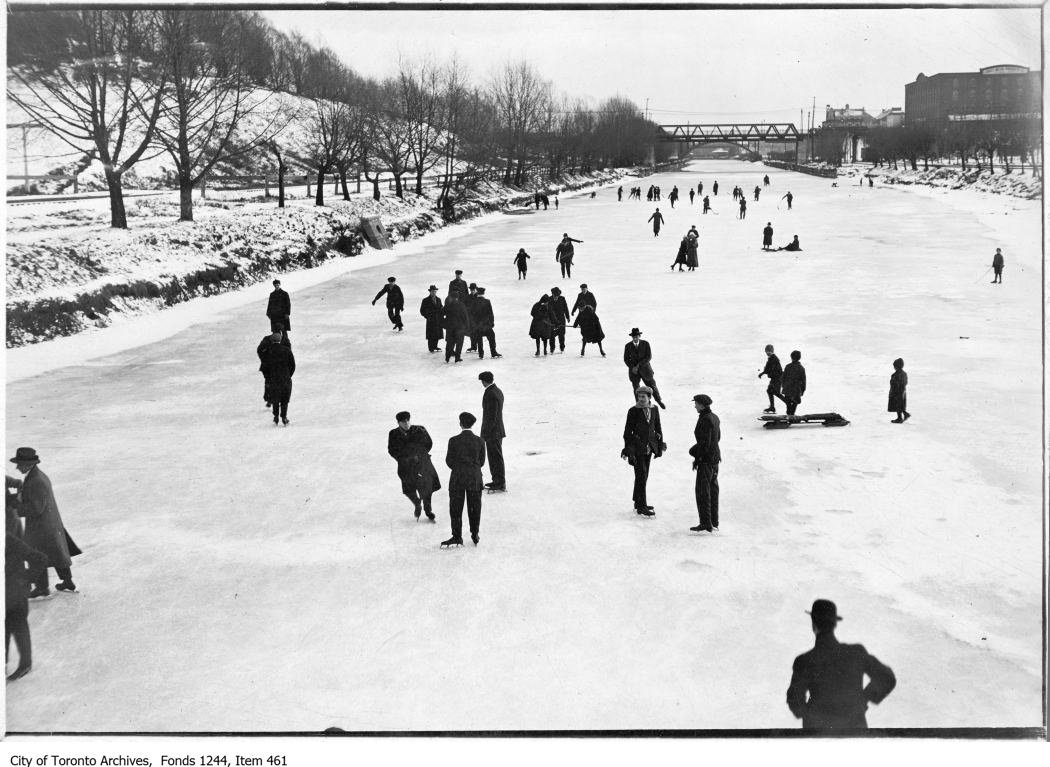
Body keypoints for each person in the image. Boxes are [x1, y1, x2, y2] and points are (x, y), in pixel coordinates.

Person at [786, 599, 897, 730]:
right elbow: (887, 678)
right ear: (834, 624)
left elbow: (794, 700)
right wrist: (864, 698)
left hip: (819, 735)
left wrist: (810, 714)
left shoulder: (804, 661)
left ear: (813, 623)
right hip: (855, 731)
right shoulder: (856, 653)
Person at [9, 447, 81, 598]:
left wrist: (14, 511)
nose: (17, 467)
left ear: (28, 464)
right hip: (48, 524)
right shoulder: (35, 476)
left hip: (42, 527)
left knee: (39, 555)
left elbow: (35, 508)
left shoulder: (36, 480)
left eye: (19, 464)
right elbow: (29, 496)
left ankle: (42, 588)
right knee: (56, 554)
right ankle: (67, 582)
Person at [6, 496, 47, 681]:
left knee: (18, 628)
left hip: (15, 597)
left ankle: (25, 664)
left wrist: (25, 579)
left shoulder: (9, 540)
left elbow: (39, 559)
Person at [442, 412, 486, 547]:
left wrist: (458, 468)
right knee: (474, 507)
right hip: (474, 478)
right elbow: (482, 462)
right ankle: (475, 534)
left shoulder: (453, 440)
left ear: (460, 424)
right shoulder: (480, 441)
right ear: (473, 424)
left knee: (455, 508)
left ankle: (457, 536)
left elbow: (449, 461)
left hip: (458, 478)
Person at [386, 412, 440, 522]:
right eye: (403, 422)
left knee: (427, 487)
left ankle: (428, 509)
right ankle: (417, 503)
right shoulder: (393, 434)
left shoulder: (420, 430)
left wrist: (419, 455)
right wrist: (404, 459)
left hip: (423, 464)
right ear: (398, 423)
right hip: (406, 466)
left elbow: (428, 444)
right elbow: (392, 450)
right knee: (408, 488)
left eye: (407, 421)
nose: (406, 424)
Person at [621, 386, 664, 517]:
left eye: (643, 397)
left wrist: (660, 446)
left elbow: (658, 427)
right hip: (637, 448)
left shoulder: (654, 409)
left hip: (650, 447)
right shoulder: (633, 411)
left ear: (649, 397)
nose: (640, 399)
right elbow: (627, 432)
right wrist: (628, 449)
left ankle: (638, 502)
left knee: (644, 475)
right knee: (641, 475)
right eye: (639, 397)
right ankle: (642, 507)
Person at [688, 394, 720, 533]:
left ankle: (706, 523)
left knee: (703, 491)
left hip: (706, 459)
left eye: (696, 403)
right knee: (713, 490)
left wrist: (697, 457)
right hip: (715, 458)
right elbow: (717, 437)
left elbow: (704, 443)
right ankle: (713, 521)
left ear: (701, 404)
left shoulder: (705, 419)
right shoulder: (714, 417)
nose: (694, 406)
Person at [623, 328, 666, 408]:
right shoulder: (628, 346)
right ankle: (638, 404)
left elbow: (648, 357)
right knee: (636, 388)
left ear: (639, 336)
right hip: (634, 372)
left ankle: (659, 401)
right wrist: (632, 367)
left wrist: (638, 365)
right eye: (633, 337)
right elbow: (626, 359)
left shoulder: (645, 344)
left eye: (636, 336)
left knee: (652, 386)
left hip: (646, 370)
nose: (635, 338)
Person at [479, 372, 506, 492]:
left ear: (485, 381)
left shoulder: (491, 393)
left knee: (495, 457)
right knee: (495, 457)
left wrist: (485, 433)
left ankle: (499, 482)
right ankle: (498, 480)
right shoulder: (497, 390)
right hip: (496, 431)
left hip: (493, 432)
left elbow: (491, 417)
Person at [262, 328, 295, 425]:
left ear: (272, 340)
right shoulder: (287, 350)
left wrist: (268, 376)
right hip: (285, 377)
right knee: (285, 398)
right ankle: (284, 416)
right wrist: (289, 375)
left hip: (273, 378)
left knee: (275, 397)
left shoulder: (268, 351)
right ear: (280, 340)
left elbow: (265, 366)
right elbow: (292, 365)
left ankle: (276, 416)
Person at [257, 323, 291, 408]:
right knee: (281, 383)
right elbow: (289, 353)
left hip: (267, 366)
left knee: (269, 382)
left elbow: (259, 350)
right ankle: (279, 399)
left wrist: (264, 359)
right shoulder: (284, 340)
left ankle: (269, 399)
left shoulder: (266, 339)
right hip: (281, 367)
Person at [471, 287, 500, 359]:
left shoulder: (474, 302)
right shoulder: (487, 301)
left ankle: (481, 354)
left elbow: (472, 314)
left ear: (477, 293)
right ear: (483, 293)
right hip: (486, 325)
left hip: (477, 325)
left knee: (479, 339)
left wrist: (473, 324)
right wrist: (492, 323)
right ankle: (493, 353)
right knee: (492, 337)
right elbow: (491, 313)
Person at [442, 294, 471, 364]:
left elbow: (441, 313)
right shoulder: (461, 305)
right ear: (458, 297)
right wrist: (467, 326)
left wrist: (444, 323)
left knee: (450, 343)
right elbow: (465, 317)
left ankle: (447, 357)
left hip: (450, 327)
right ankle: (457, 358)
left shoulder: (448, 305)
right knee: (459, 343)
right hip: (460, 328)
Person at [758, 344, 787, 413]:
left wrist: (765, 372)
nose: (767, 353)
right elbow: (768, 368)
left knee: (776, 392)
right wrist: (762, 373)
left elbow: (773, 369)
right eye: (766, 352)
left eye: (769, 352)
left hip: (778, 378)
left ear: (772, 351)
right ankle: (772, 407)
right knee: (769, 391)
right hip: (774, 378)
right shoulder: (771, 358)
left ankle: (788, 403)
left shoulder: (774, 359)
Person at [419, 286, 444, 353]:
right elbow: (422, 310)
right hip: (430, 320)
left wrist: (442, 315)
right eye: (433, 291)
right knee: (431, 334)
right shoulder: (425, 300)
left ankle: (435, 346)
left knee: (437, 334)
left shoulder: (438, 299)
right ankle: (431, 348)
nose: (434, 292)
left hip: (438, 319)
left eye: (435, 291)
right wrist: (427, 316)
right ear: (430, 292)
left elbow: (441, 308)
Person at [781, 350, 806, 416]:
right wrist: (803, 390)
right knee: (796, 402)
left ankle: (789, 413)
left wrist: (783, 386)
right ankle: (791, 414)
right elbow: (803, 381)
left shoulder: (787, 366)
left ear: (791, 357)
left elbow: (783, 378)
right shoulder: (801, 368)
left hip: (787, 389)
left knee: (788, 402)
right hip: (796, 390)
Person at [549, 287, 571, 353]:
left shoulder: (562, 299)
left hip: (561, 319)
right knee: (552, 335)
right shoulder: (549, 299)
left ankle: (562, 348)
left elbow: (565, 308)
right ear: (552, 294)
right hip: (552, 320)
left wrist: (567, 317)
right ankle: (552, 348)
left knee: (561, 335)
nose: (556, 297)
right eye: (554, 296)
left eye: (557, 296)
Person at [888, 358, 910, 423]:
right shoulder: (904, 373)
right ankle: (905, 414)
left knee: (898, 405)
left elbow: (895, 383)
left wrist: (895, 390)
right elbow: (905, 382)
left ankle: (900, 418)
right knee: (900, 405)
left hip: (897, 392)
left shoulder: (897, 374)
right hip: (902, 391)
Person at [465, 283, 479, 352]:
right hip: (470, 318)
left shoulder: (479, 296)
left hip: (478, 318)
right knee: (472, 333)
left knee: (478, 333)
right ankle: (473, 347)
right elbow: (465, 306)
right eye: (471, 289)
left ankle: (479, 347)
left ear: (476, 289)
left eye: (473, 289)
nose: (472, 291)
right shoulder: (468, 297)